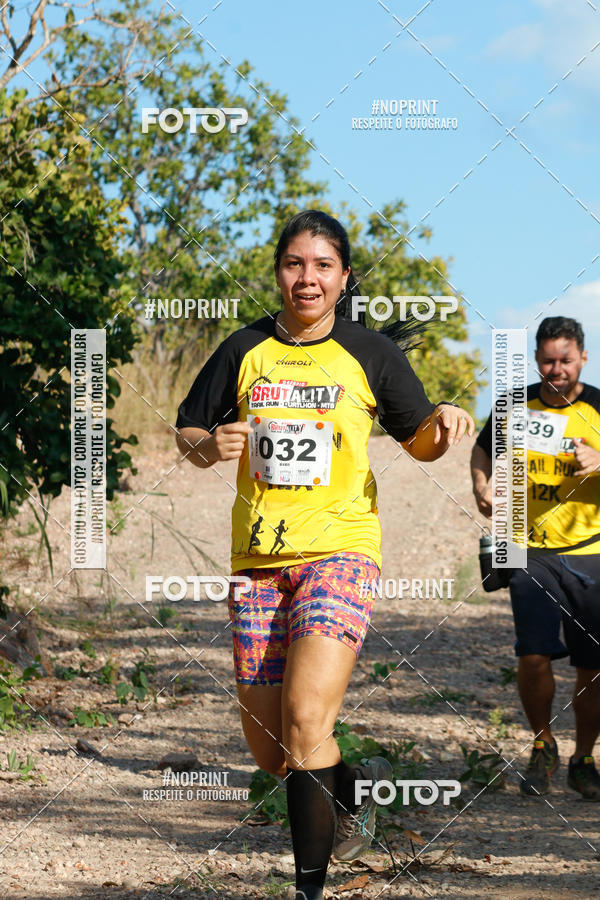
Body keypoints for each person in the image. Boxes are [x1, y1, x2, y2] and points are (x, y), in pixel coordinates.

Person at [176, 210, 474, 900]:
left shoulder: (369, 354)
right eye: (293, 263)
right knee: (275, 751)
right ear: (278, 271)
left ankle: (308, 891)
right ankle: (353, 791)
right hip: (258, 562)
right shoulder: (243, 350)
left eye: (322, 266)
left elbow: (420, 440)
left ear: (343, 278)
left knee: (308, 720)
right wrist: (205, 446)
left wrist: (446, 423)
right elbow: (190, 432)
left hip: (340, 551)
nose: (306, 277)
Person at [471, 316, 600, 799]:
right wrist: (482, 486)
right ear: (536, 360)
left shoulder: (598, 406)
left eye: (565, 360)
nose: (556, 369)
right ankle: (542, 743)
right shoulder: (512, 405)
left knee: (593, 667)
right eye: (547, 360)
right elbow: (482, 451)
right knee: (532, 653)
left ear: (582, 358)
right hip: (529, 548)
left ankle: (584, 757)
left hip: (592, 552)